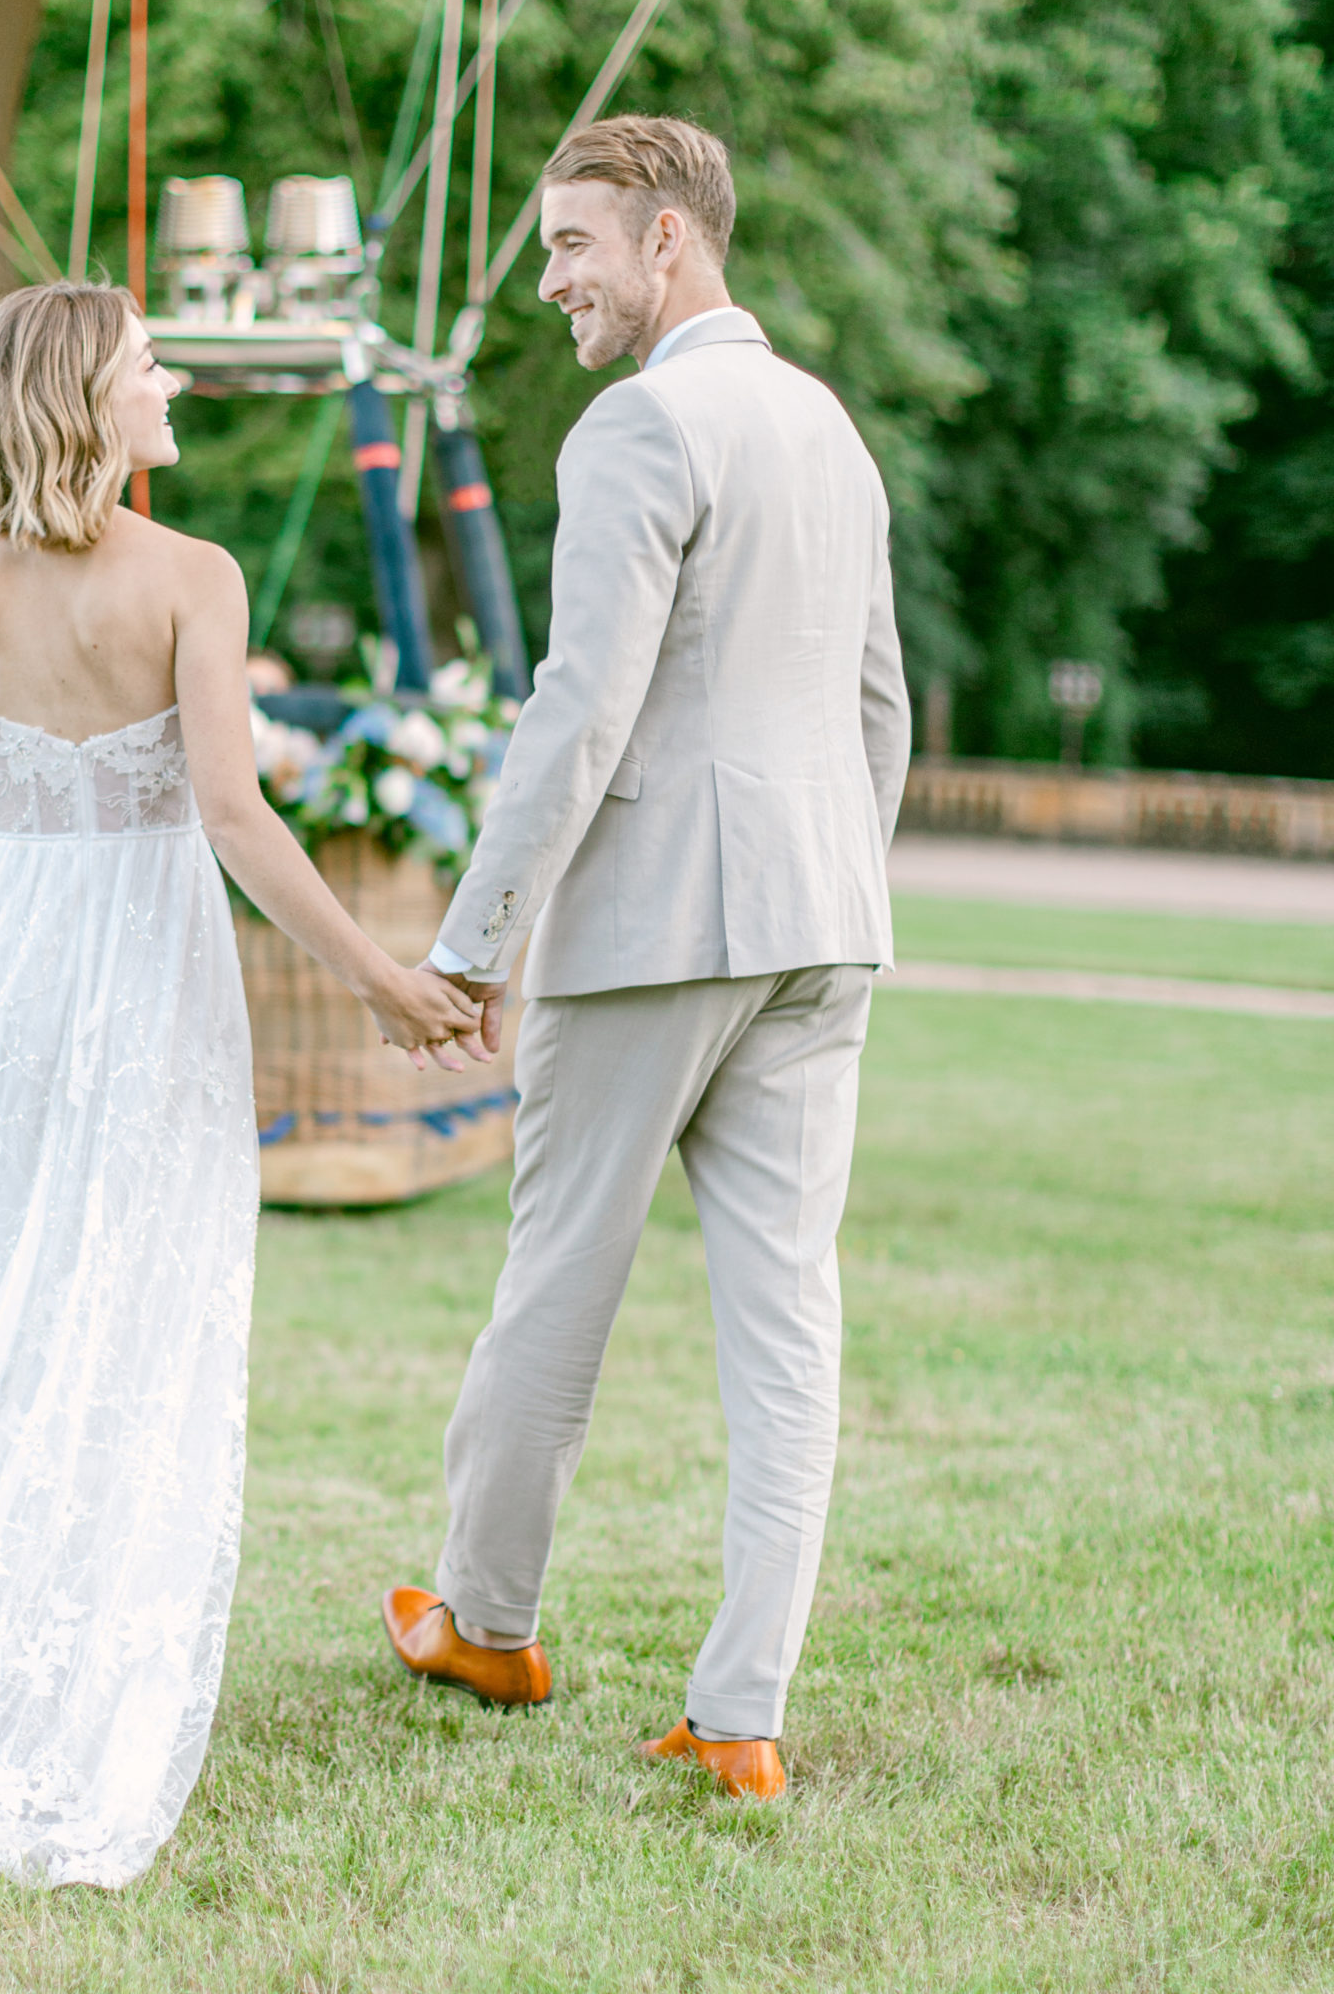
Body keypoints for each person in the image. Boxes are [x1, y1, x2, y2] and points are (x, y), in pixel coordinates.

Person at [0, 282, 482, 1887]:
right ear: (86, 395)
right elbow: (234, 818)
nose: (174, 391)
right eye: (153, 369)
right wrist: (386, 980)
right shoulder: (188, 579)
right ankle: (56, 1684)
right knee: (126, 1314)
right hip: (141, 981)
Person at [380, 115, 911, 1801]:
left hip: (654, 932)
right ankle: (743, 1713)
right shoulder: (829, 428)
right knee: (787, 1323)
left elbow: (583, 704)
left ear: (667, 237)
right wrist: (831, 878)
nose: (551, 285)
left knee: (556, 1290)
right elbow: (880, 705)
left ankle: (487, 1619)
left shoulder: (640, 426)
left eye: (571, 247)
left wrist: (475, 938)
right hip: (823, 928)